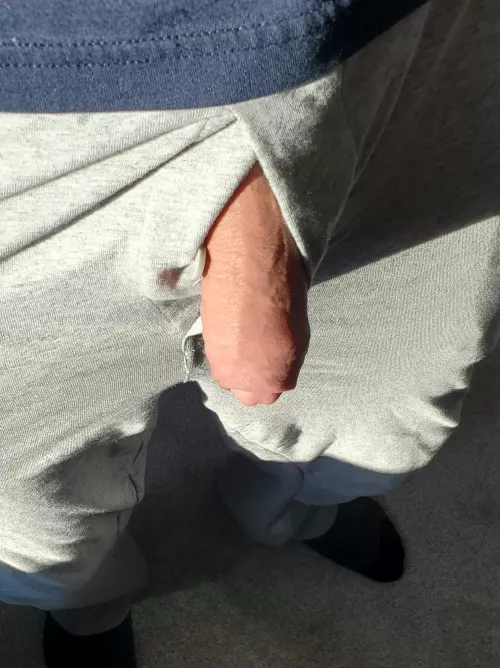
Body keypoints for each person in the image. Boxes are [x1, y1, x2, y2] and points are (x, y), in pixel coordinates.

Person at [1, 0, 499, 666]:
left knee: (383, 416)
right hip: (32, 114)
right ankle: (88, 605)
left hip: (382, 49)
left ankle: (294, 508)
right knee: (29, 512)